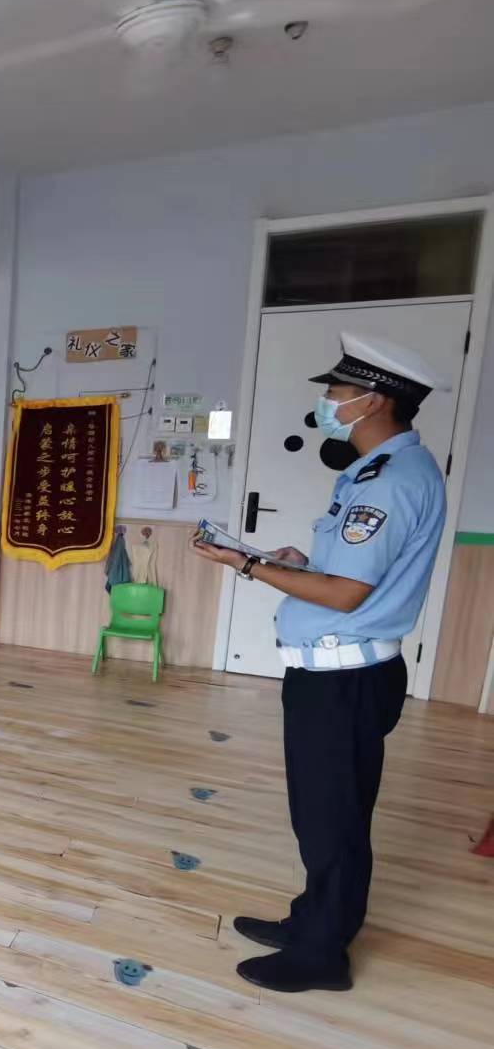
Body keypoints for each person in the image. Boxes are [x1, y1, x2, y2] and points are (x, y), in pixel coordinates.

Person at [190, 330, 447, 994]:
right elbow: (348, 573)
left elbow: (347, 594)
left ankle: (321, 956)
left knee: (333, 819)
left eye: (337, 389)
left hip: (344, 681)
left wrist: (246, 565)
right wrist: (297, 564)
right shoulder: (374, 472)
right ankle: (313, 921)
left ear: (374, 399)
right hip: (336, 675)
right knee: (323, 813)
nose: (328, 401)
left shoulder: (390, 482)